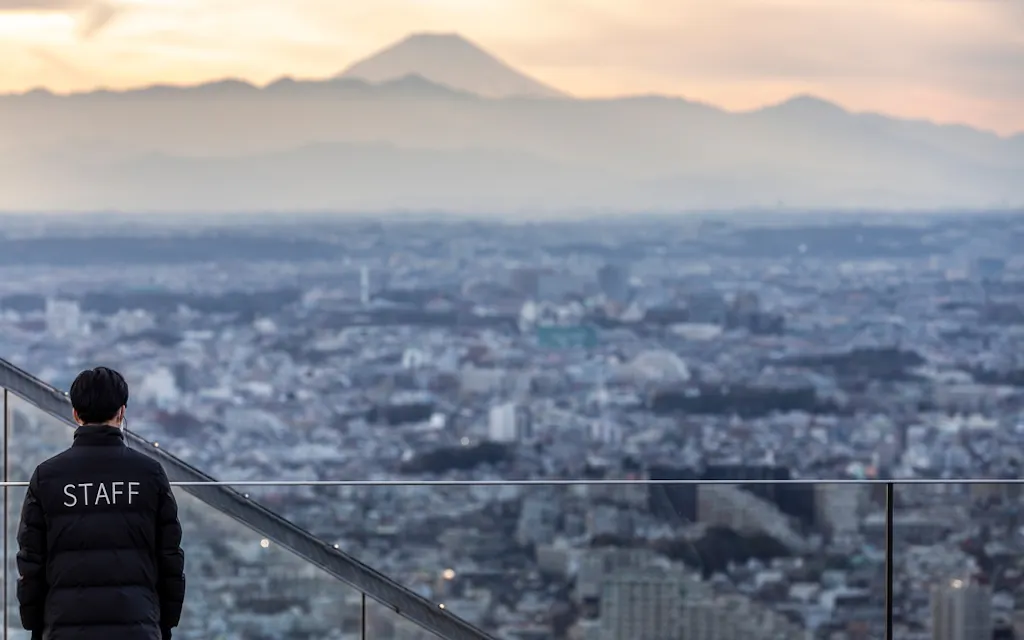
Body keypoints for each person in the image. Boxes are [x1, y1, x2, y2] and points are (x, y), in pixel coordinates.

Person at [16, 366, 186, 640]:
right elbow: (170, 558)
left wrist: (36, 624)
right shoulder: (149, 474)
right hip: (137, 624)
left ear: (75, 414)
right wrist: (163, 623)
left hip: (64, 626)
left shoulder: (47, 476)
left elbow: (31, 561)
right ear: (121, 412)